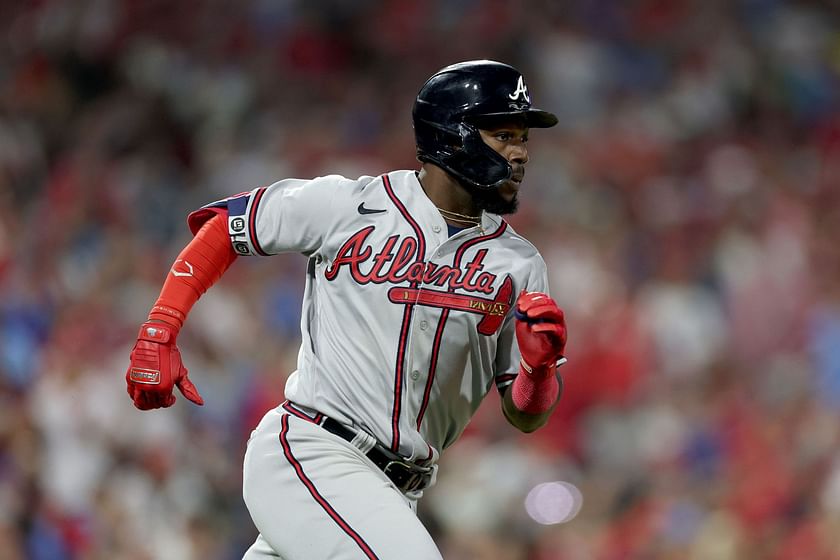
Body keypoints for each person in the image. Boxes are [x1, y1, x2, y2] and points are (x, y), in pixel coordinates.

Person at [125, 60, 568, 559]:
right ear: (453, 135)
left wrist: (540, 367)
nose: (521, 152)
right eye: (504, 134)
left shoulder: (520, 264)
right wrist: (159, 329)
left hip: (397, 493)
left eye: (523, 137)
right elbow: (225, 227)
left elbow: (526, 414)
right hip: (316, 452)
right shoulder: (350, 205)